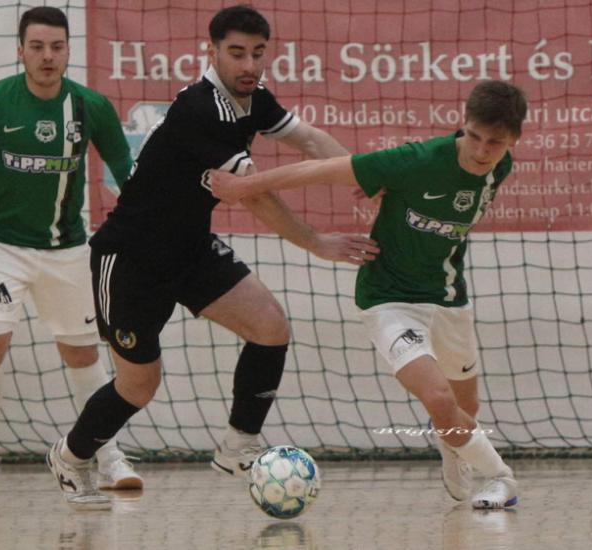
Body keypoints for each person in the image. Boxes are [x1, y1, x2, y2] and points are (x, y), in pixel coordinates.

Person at [45, 4, 379, 510]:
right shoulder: (201, 110)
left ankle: (238, 445)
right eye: (237, 53)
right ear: (212, 52)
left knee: (271, 327)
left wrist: (365, 174)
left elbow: (309, 139)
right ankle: (70, 457)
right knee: (139, 386)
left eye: (258, 53)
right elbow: (255, 194)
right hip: (132, 258)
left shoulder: (254, 98)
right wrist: (316, 242)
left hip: (191, 248)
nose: (249, 65)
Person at [211, 80, 528, 510]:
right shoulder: (417, 160)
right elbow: (319, 170)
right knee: (439, 399)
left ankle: (454, 447)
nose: (481, 150)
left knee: (462, 408)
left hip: (449, 296)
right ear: (463, 124)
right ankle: (501, 478)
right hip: (388, 298)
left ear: (513, 141)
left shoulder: (500, 167)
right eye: (473, 136)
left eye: (495, 143)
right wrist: (243, 187)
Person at [0, 6, 141, 493]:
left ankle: (107, 454)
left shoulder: (90, 106)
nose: (48, 56)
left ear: (68, 51)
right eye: (37, 47)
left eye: (57, 47)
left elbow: (124, 167)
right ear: (20, 51)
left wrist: (143, 216)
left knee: (83, 353)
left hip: (66, 249)